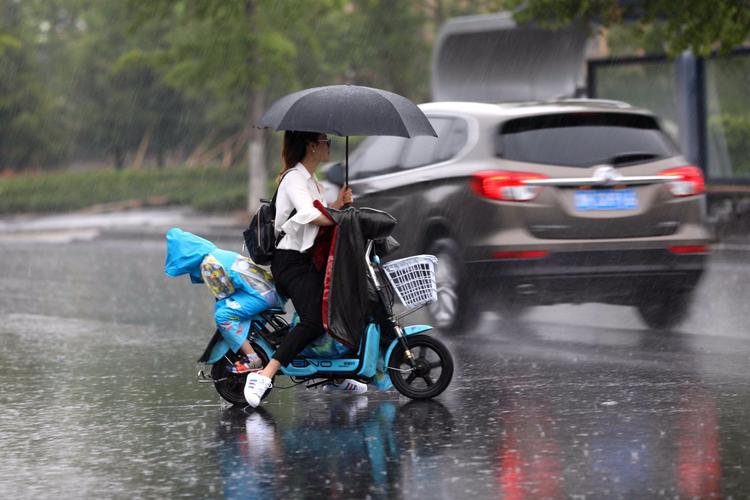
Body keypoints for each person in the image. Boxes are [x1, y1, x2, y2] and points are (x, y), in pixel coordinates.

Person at [244, 130, 367, 407]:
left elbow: (321, 212)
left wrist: (339, 204)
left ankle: (336, 374)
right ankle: (264, 374)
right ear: (312, 146)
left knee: (337, 307)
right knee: (313, 320)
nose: (329, 147)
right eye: (326, 143)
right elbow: (310, 215)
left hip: (307, 260)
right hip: (289, 261)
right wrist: (336, 215)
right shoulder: (294, 179)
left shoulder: (313, 182)